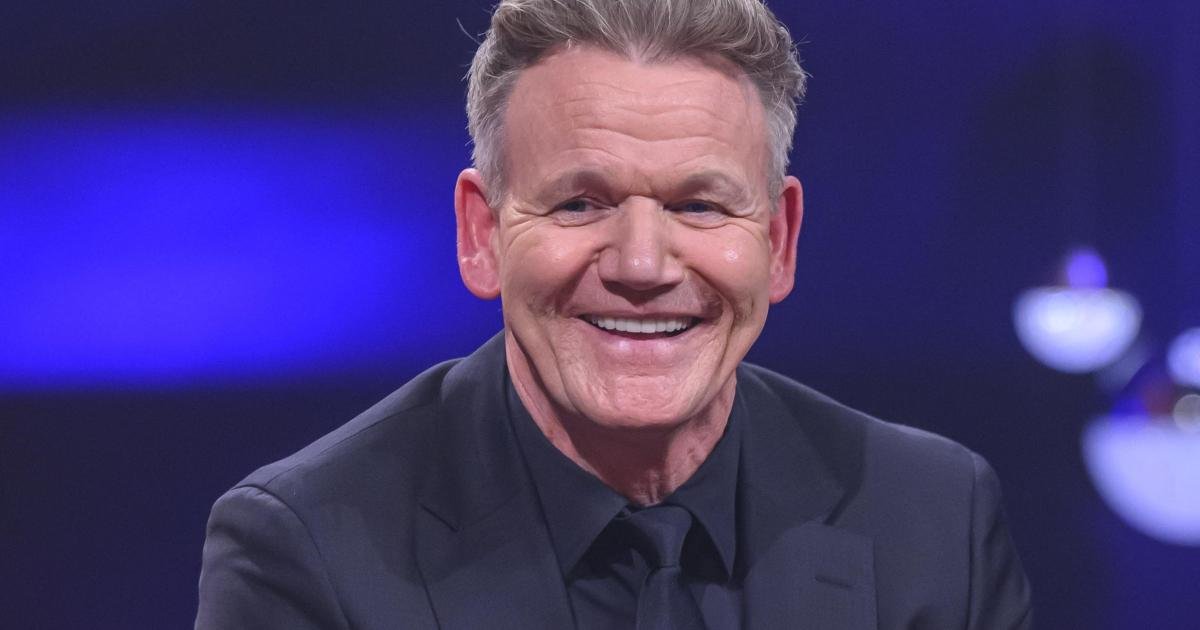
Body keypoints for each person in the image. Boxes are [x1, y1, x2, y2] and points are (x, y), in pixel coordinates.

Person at [195, 1, 1032, 628]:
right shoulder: (306, 550)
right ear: (482, 235)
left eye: (700, 206)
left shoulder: (932, 518)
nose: (641, 266)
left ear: (778, 241)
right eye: (580, 203)